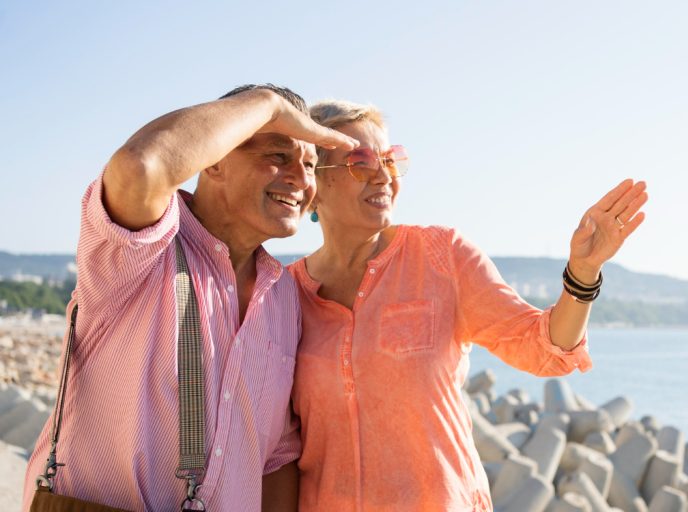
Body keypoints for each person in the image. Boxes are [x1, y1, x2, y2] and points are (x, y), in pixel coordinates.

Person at [279, 99, 648, 510]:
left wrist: (583, 272)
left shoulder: (442, 256)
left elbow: (545, 349)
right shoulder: (284, 293)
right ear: (314, 180)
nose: (384, 176)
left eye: (390, 159)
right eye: (361, 162)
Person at [22, 84, 357, 511]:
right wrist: (267, 104)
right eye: (277, 155)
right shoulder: (142, 248)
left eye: (310, 164)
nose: (301, 178)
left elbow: (275, 457)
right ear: (212, 161)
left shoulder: (283, 294)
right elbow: (141, 166)